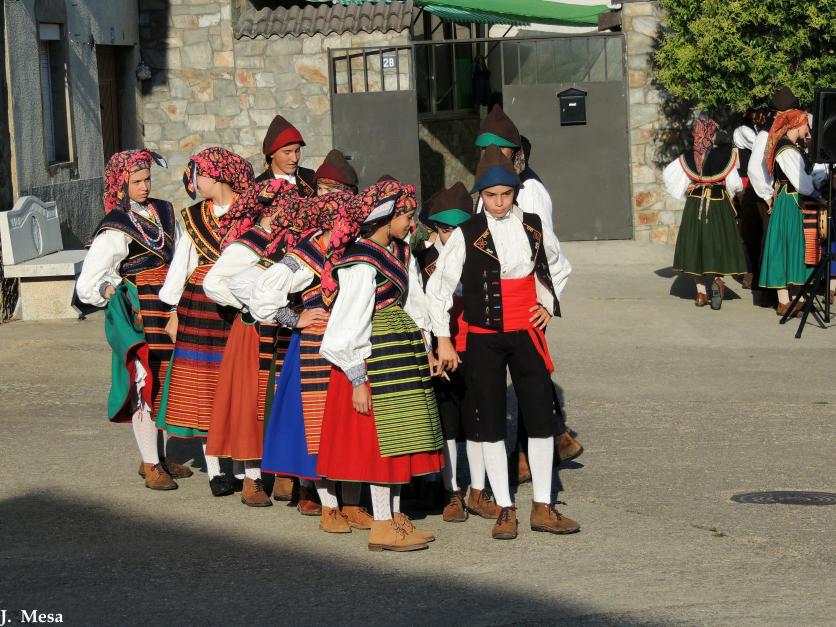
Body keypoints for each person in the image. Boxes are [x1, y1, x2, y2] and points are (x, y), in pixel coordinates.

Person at [427, 146, 580, 540]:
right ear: (481, 195)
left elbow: (558, 265)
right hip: (483, 337)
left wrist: (547, 304)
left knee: (540, 417)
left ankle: (543, 505)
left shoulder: (532, 225)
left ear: (515, 192)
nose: (498, 203)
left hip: (527, 332)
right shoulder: (467, 232)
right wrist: (443, 339)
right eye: (491, 195)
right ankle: (504, 508)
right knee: (490, 420)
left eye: (505, 194)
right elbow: (439, 286)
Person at [316, 180, 445, 552]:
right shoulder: (360, 261)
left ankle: (396, 517)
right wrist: (357, 378)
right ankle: (382, 525)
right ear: (386, 217)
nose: (412, 224)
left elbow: (413, 302)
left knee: (400, 438)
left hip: (398, 353)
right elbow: (348, 323)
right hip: (373, 360)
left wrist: (426, 346)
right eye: (406, 216)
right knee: (380, 444)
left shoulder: (397, 250)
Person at [248, 191, 379, 534]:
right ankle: (329, 507)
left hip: (352, 343)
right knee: (318, 426)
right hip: (314, 347)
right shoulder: (305, 256)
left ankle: (353, 503)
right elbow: (262, 291)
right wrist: (293, 318)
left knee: (349, 423)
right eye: (345, 222)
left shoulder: (353, 249)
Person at [76, 149, 192, 490]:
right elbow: (88, 283)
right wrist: (110, 289)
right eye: (136, 181)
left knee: (166, 380)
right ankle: (151, 464)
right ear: (121, 185)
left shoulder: (165, 211)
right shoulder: (116, 227)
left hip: (168, 305)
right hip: (140, 311)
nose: (144, 186)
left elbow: (181, 255)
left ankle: (158, 456)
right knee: (145, 381)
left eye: (147, 179)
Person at [475, 105, 581, 478]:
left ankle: (526, 457)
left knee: (527, 378)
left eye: (498, 148)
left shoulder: (530, 189)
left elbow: (549, 253)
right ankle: (557, 437)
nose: (490, 154)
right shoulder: (491, 182)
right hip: (495, 301)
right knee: (522, 376)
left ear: (513, 150)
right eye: (484, 148)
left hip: (526, 300)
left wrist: (546, 302)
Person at [201, 178, 314, 507]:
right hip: (255, 331)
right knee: (253, 402)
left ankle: (285, 475)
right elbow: (214, 283)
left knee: (285, 398)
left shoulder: (294, 241)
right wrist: (252, 305)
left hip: (287, 328)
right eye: (286, 208)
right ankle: (252, 479)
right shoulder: (247, 244)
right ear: (270, 210)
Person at [156, 147, 254, 495]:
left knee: (239, 383)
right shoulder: (195, 217)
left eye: (200, 175)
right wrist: (172, 311)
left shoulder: (251, 212)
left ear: (218, 176)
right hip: (199, 306)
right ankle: (215, 470)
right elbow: (181, 264)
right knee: (204, 385)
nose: (195, 183)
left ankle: (243, 469)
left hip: (240, 302)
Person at [414, 182, 499, 523]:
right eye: (446, 230)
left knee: (477, 420)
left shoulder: (482, 253)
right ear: (434, 229)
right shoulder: (423, 260)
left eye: (459, 229)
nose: (452, 237)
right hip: (441, 349)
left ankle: (478, 490)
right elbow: (419, 309)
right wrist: (429, 349)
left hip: (477, 345)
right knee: (447, 422)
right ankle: (451, 492)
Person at [664, 116, 747, 309]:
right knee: (719, 242)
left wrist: (689, 186)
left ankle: (701, 293)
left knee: (697, 244)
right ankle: (718, 279)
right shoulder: (725, 155)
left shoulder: (688, 157)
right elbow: (735, 184)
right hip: (718, 203)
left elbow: (670, 175)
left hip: (695, 204)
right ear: (710, 133)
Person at [759, 109, 821, 315]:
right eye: (806, 125)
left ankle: (794, 299)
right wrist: (817, 194)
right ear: (797, 124)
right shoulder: (786, 149)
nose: (808, 129)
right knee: (786, 246)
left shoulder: (791, 147)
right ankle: (784, 301)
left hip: (790, 199)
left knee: (791, 246)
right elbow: (800, 181)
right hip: (791, 201)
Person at [255, 114, 317, 197]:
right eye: (287, 153)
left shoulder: (310, 177)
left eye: (297, 151)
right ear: (272, 153)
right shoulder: (258, 185)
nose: (295, 159)